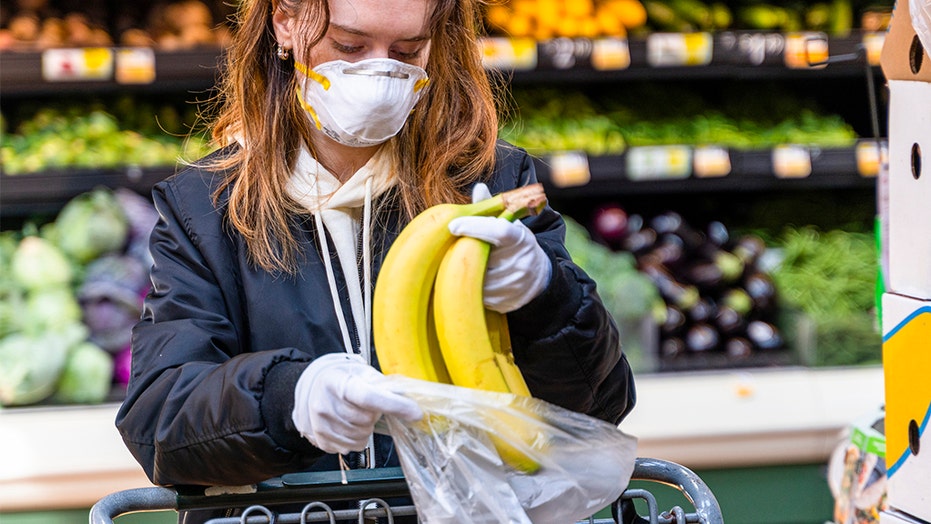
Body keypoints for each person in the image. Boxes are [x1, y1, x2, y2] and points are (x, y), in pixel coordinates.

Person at [115, 0, 637, 521]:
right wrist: (284, 399)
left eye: (407, 51)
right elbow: (159, 423)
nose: (380, 70)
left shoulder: (491, 183)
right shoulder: (206, 209)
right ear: (286, 22)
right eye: (349, 45)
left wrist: (544, 297)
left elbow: (599, 408)